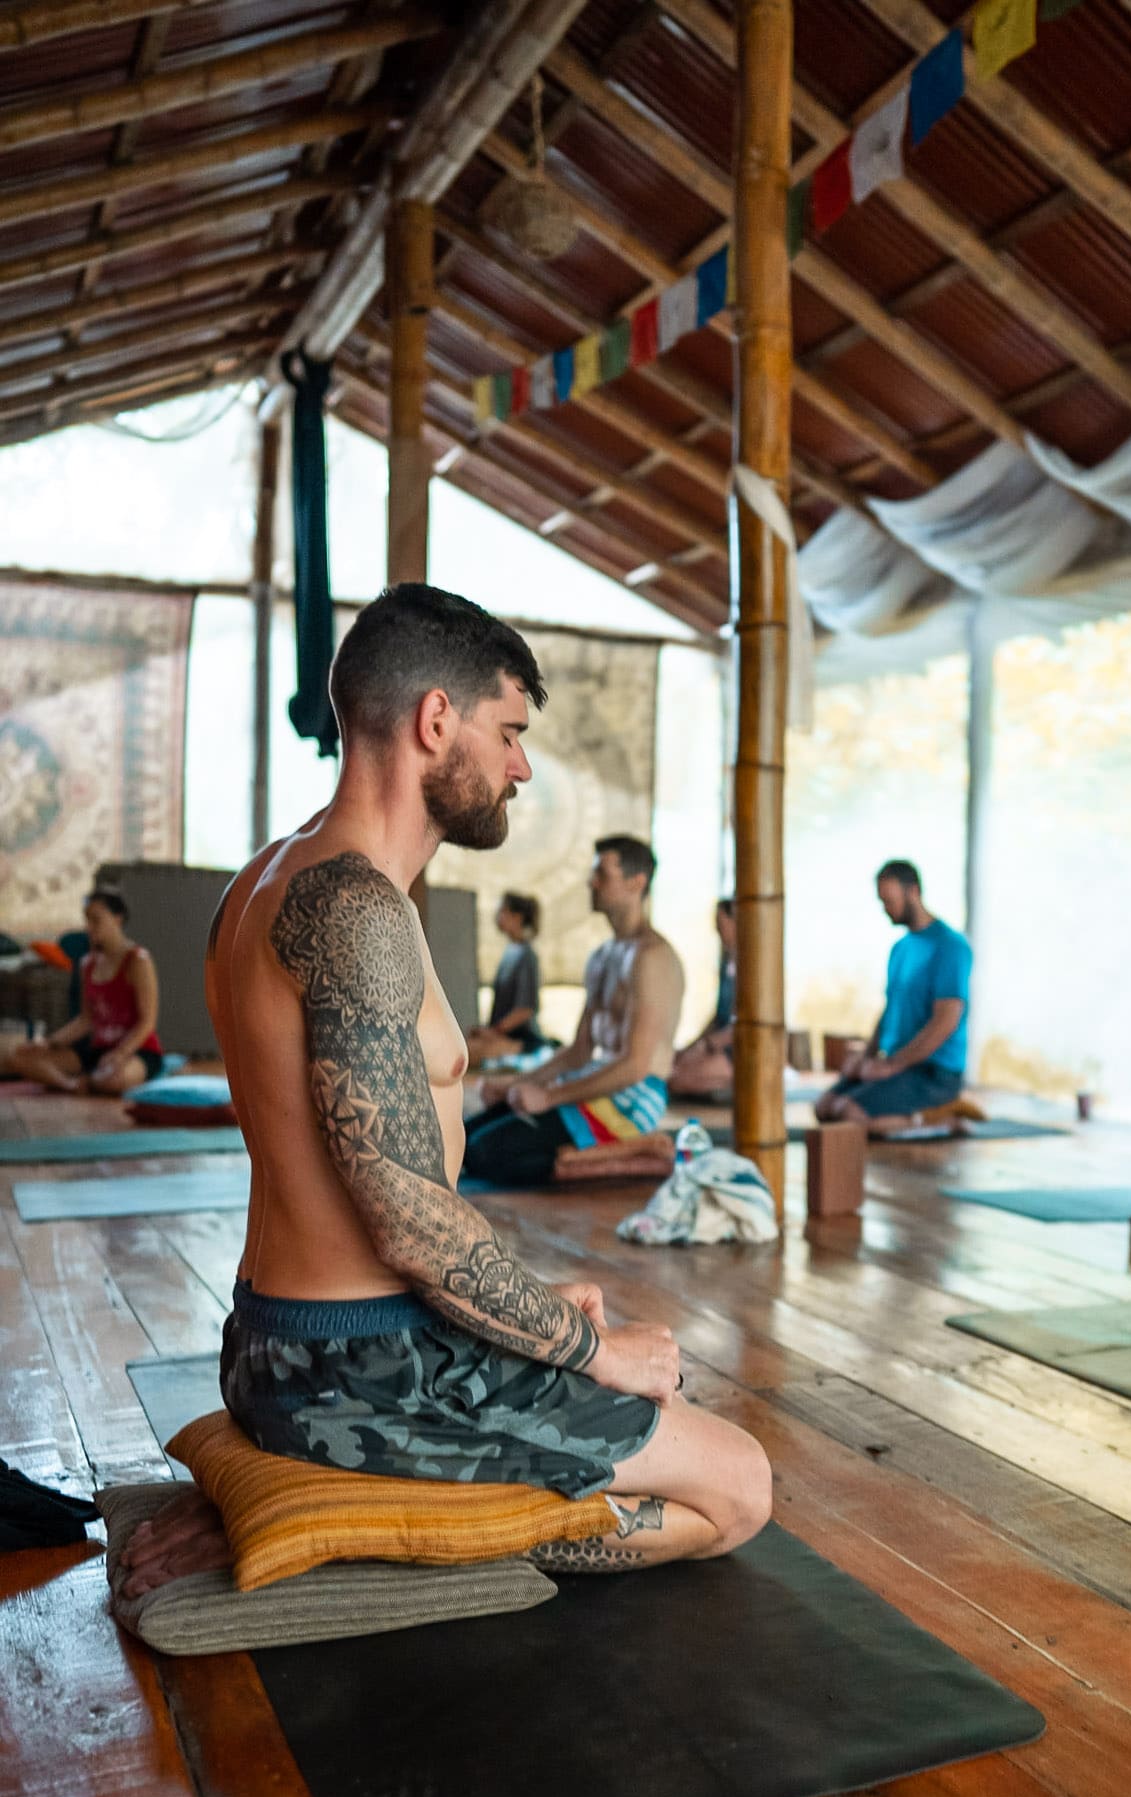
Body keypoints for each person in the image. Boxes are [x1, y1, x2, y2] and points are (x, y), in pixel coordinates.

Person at [120, 585, 768, 1597]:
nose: (518, 764)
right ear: (435, 721)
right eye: (508, 731)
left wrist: (527, 1309)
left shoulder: (265, 878)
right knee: (736, 1490)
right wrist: (592, 1350)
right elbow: (410, 1223)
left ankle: (359, 1494)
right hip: (356, 1371)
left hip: (278, 1341)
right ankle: (367, 1523)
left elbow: (365, 1204)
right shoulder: (353, 905)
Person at [464, 835, 685, 1185]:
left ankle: (645, 1153)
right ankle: (579, 1154)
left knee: (484, 1154)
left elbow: (636, 1065)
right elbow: (579, 1052)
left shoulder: (654, 958)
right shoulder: (602, 957)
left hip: (633, 1097)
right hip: (595, 1081)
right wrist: (515, 1084)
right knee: (464, 1137)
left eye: (602, 874)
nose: (590, 882)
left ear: (636, 883)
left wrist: (549, 1096)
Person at [815, 860, 974, 1137]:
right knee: (824, 1107)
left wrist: (891, 1067)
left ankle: (942, 1119)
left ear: (912, 892)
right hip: (900, 1066)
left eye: (889, 901)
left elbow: (945, 1021)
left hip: (934, 1074)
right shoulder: (900, 949)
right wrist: (865, 1057)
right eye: (882, 902)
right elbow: (890, 1011)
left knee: (849, 1114)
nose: (885, 910)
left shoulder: (951, 946)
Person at [8, 888, 163, 1096]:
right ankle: (71, 1085)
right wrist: (49, 1043)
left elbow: (147, 1022)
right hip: (97, 1051)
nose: (89, 927)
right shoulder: (87, 964)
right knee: (19, 1057)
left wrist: (121, 1053)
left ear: (117, 919)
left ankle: (94, 1081)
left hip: (136, 1050)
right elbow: (85, 1019)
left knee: (112, 1080)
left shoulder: (138, 961)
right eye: (87, 920)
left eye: (96, 920)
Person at [668, 898, 737, 1099]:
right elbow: (719, 1017)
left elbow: (741, 1024)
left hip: (734, 1052)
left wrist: (706, 1045)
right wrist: (691, 1047)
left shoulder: (750, 966)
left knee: (677, 1077)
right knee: (672, 1066)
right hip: (717, 1045)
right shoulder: (726, 964)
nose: (718, 931)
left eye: (721, 924)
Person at [466, 890, 544, 1067]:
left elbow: (525, 1010)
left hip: (521, 1040)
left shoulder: (526, 956)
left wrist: (494, 1031)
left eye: (503, 912)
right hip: (501, 1035)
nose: (498, 917)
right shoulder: (510, 953)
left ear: (517, 917)